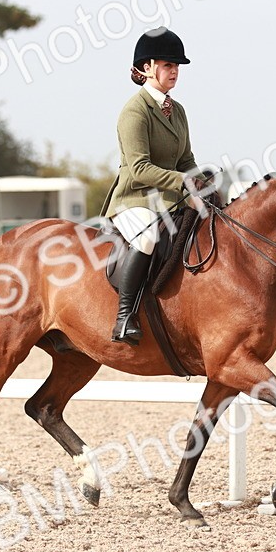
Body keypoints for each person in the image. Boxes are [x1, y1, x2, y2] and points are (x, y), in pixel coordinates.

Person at [100, 27, 205, 346]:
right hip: (134, 201)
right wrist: (184, 182)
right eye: (167, 65)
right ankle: (124, 317)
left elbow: (185, 158)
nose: (173, 71)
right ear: (146, 68)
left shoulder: (178, 111)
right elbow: (141, 168)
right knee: (147, 237)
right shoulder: (134, 111)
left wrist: (202, 182)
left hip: (171, 200)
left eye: (176, 66)